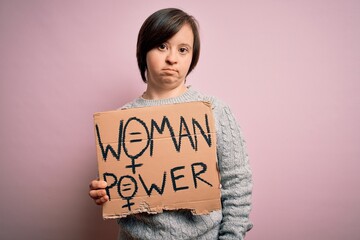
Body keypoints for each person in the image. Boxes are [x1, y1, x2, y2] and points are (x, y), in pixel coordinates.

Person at [89, 8, 253, 239]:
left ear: (192, 57)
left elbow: (238, 184)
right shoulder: (120, 122)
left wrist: (231, 237)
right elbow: (124, 192)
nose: (172, 58)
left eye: (183, 50)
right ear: (144, 50)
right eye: (162, 46)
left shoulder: (215, 111)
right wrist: (105, 193)